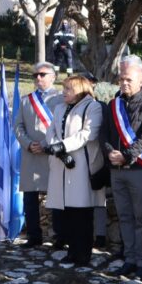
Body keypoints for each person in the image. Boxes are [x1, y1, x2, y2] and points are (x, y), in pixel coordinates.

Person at [101, 55, 142, 279]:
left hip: (138, 169)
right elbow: (104, 133)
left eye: (129, 79)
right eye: (121, 79)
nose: (124, 83)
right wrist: (110, 153)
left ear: (140, 80)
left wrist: (127, 155)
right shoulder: (113, 104)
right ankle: (130, 258)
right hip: (117, 169)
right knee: (125, 215)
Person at [44, 74, 105, 266]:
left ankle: (82, 254)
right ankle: (71, 251)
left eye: (68, 89)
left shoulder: (92, 107)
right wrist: (59, 151)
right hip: (62, 165)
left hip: (81, 165)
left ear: (79, 90)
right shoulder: (60, 107)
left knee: (82, 212)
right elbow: (51, 131)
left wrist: (62, 147)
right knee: (67, 211)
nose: (64, 93)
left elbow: (88, 133)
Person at [15, 62, 64, 247]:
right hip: (31, 155)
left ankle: (60, 236)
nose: (38, 78)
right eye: (35, 75)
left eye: (43, 74)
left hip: (52, 154)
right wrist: (28, 144)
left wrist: (45, 144)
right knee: (30, 198)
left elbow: (61, 127)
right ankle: (34, 236)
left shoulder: (61, 98)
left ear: (53, 76)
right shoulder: (26, 100)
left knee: (56, 198)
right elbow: (18, 126)